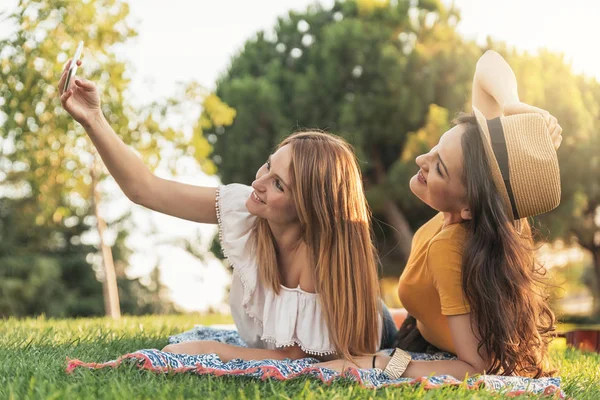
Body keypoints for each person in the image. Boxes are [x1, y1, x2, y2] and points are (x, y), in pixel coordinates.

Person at [58, 60, 396, 361]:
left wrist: (211, 349)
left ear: (309, 208)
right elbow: (145, 189)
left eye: (279, 184)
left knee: (409, 326)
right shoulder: (247, 208)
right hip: (362, 309)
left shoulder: (317, 255)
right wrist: (93, 118)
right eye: (268, 165)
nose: (259, 182)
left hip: (373, 325)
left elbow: (298, 358)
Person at [317, 50, 563, 378]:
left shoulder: (450, 246)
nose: (422, 159)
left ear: (469, 206)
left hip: (427, 350)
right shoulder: (498, 212)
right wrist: (512, 107)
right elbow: (487, 63)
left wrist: (378, 365)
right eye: (435, 148)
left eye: (439, 169)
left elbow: (474, 368)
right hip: (412, 333)